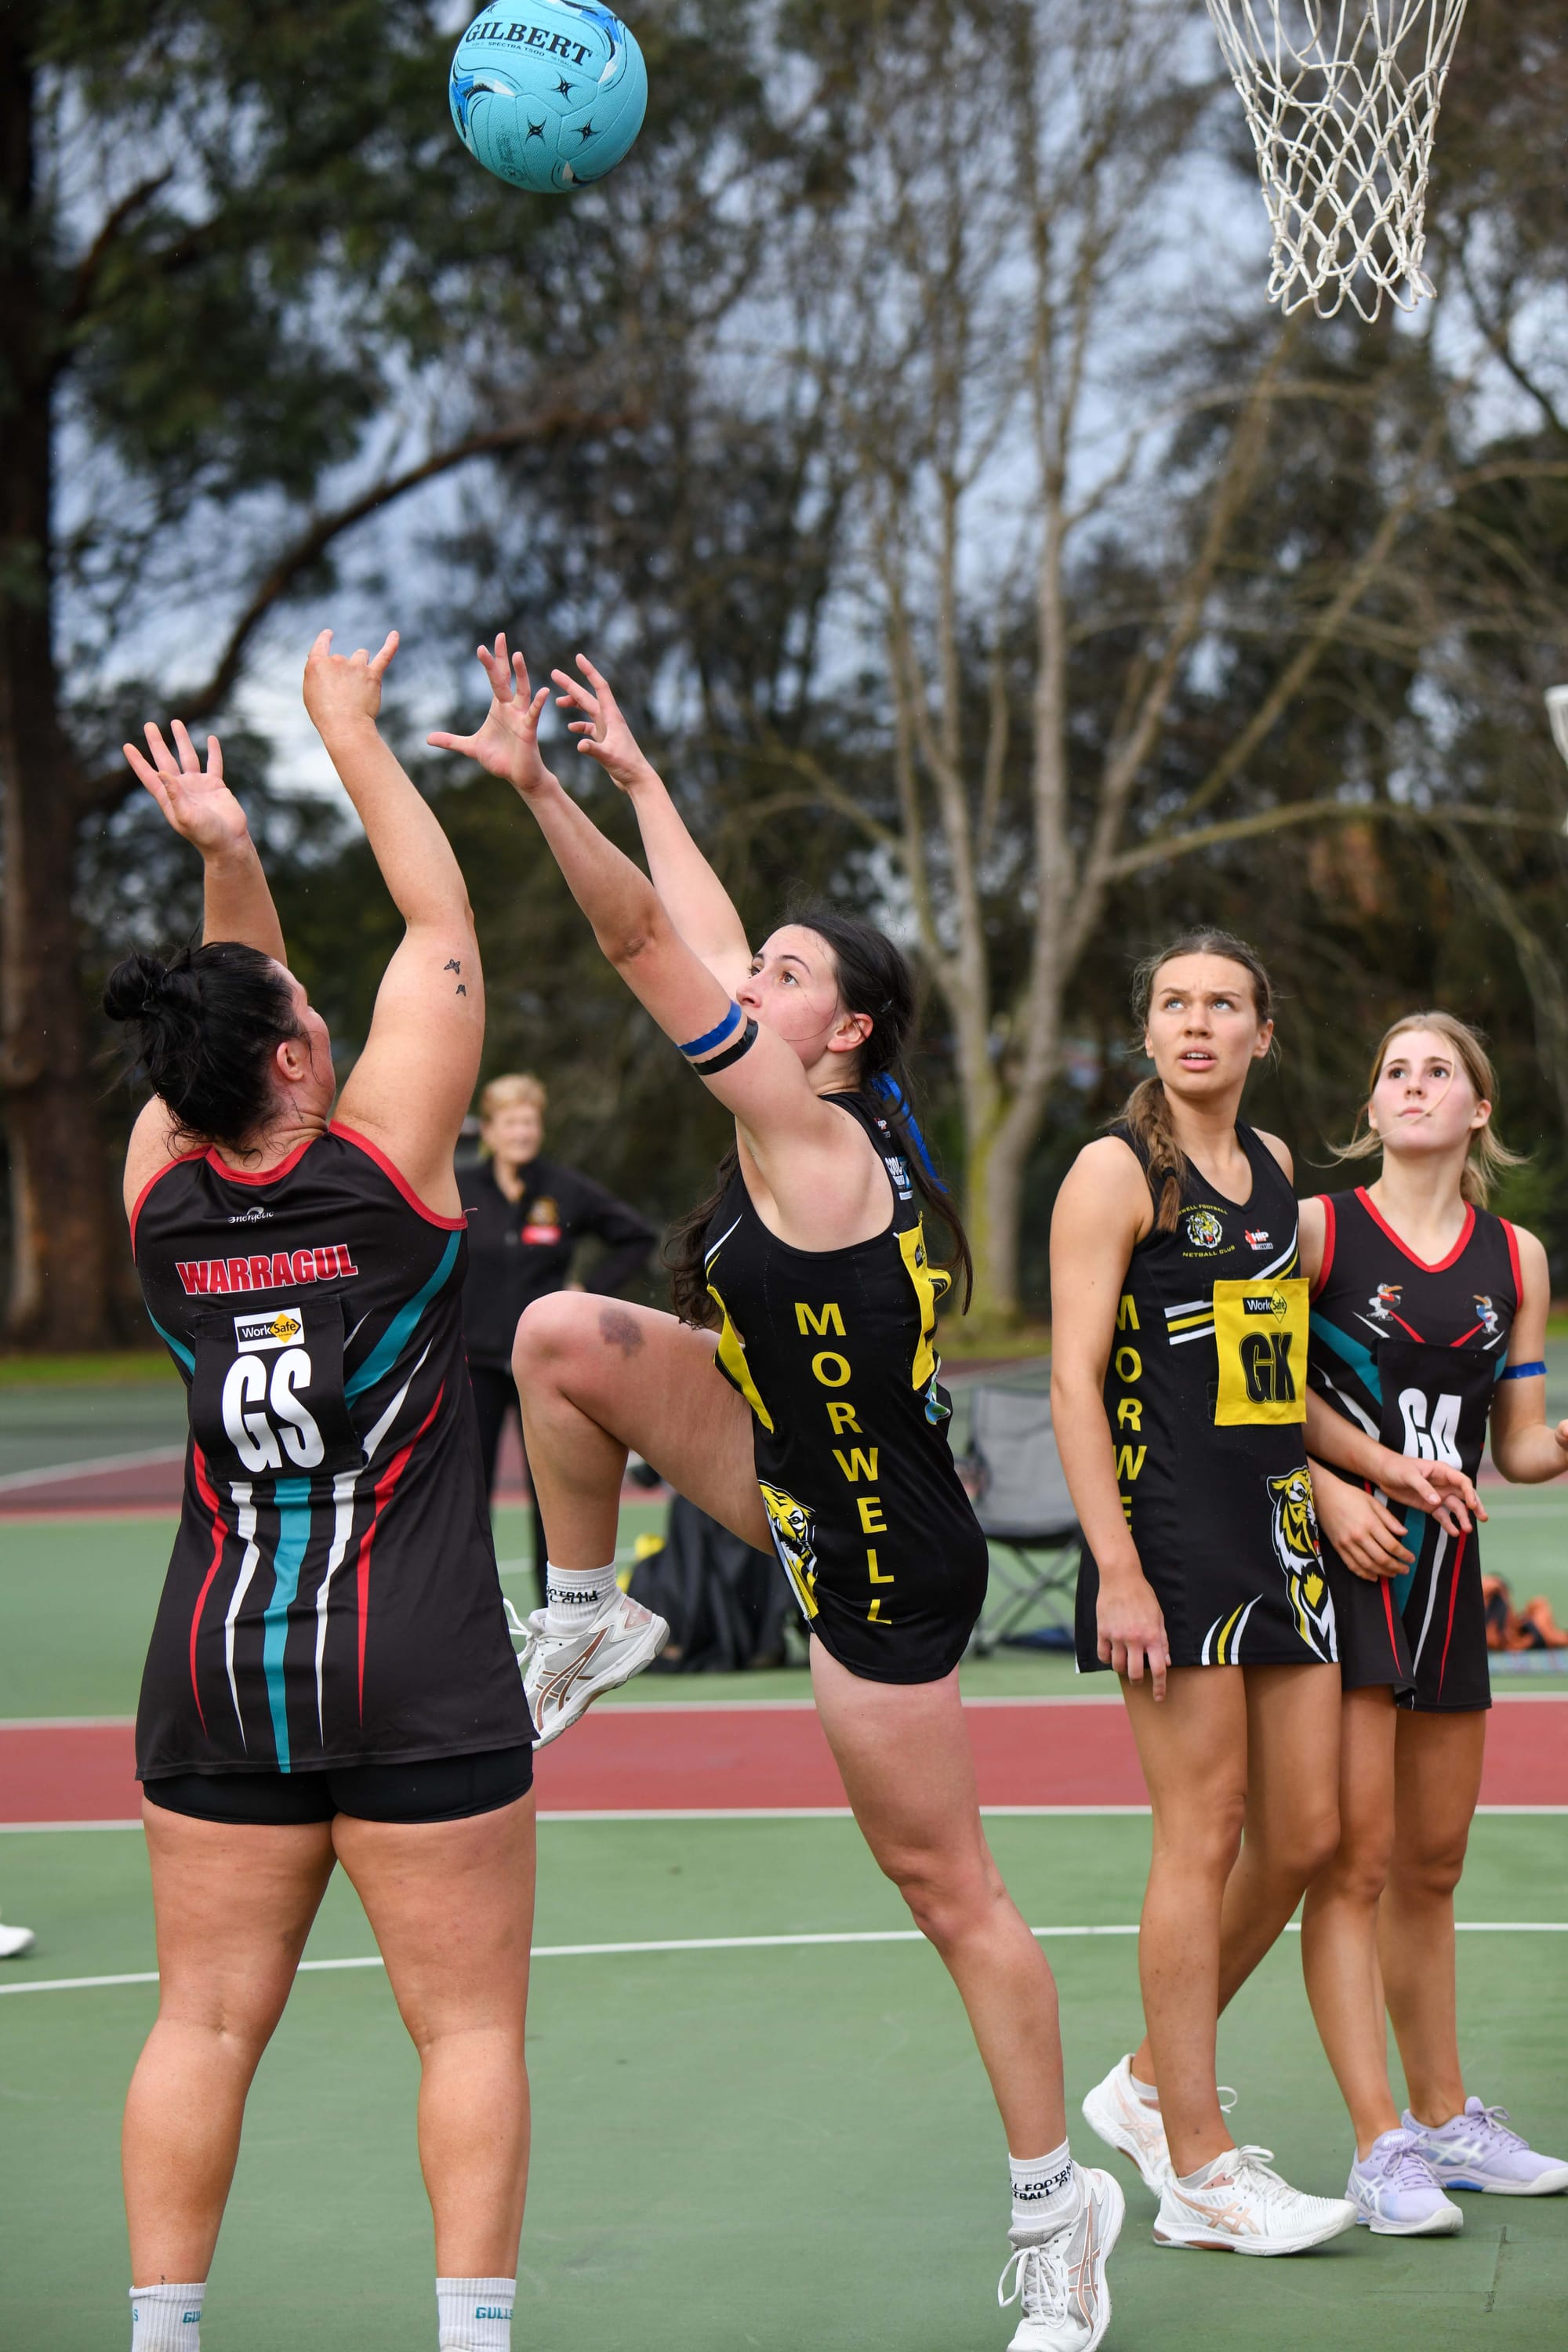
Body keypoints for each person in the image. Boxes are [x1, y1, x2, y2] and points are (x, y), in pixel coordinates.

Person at [429, 636, 1123, 2352]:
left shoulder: (809, 1147)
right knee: (565, 1334)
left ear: (842, 1027)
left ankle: (1061, 2210)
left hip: (881, 1561)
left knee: (947, 1891)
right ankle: (589, 1621)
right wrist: (642, 779)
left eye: (791, 970)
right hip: (782, 1470)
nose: (760, 972)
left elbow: (646, 941)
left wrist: (535, 794)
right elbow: (707, 934)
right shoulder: (804, 1104)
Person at [107, 633, 535, 2352]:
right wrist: (344, 733)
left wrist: (226, 855)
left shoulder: (159, 1197)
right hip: (416, 1656)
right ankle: (471, 2339)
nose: (325, 1018)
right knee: (471, 2034)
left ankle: (162, 2335)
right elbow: (440, 926)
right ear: (295, 1061)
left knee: (200, 2026)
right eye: (303, 1014)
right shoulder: (384, 1168)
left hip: (218, 1667)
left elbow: (234, 996)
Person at [1050, 931, 1465, 2256]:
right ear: (1151, 1030)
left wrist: (1372, 1462)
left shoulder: (1280, 1169)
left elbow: (1273, 1382)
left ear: (1261, 1034)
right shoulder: (1116, 1172)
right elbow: (1069, 1383)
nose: (1197, 1023)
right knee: (1207, 1827)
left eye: (1224, 1003)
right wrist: (1114, 1564)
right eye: (1174, 1003)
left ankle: (1146, 2080)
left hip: (1279, 1524)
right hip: (1168, 1537)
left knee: (1304, 1837)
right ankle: (1195, 2170)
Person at [1293, 1013, 1568, 2230]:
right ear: (1373, 1106)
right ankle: (1377, 2144)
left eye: (1437, 1070)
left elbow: (1514, 1446)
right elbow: (1252, 1390)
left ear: (1478, 1111)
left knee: (1433, 1865)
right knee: (1349, 1864)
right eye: (1394, 1069)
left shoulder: (1517, 1259)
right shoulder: (1316, 1229)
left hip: (1448, 1579)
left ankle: (1448, 2118)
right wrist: (1334, 1489)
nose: (1413, 1084)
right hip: (1349, 1567)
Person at [463, 1070, 655, 1591]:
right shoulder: (459, 1188)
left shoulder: (564, 1190)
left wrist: (587, 1290)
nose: (522, 1132)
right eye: (511, 1123)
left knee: (552, 1490)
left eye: (530, 1122)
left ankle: (561, 1608)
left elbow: (637, 1236)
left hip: (544, 1369)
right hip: (474, 1362)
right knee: (469, 1490)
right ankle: (471, 1606)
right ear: (490, 1129)